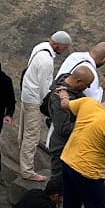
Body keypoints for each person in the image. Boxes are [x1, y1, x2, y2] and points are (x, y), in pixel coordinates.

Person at [20, 30, 71, 176]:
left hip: (27, 93)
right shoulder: (46, 60)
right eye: (64, 47)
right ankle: (27, 171)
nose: (65, 50)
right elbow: (44, 86)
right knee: (32, 135)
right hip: (34, 99)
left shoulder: (40, 47)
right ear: (56, 44)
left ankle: (23, 164)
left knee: (24, 132)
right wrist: (49, 103)